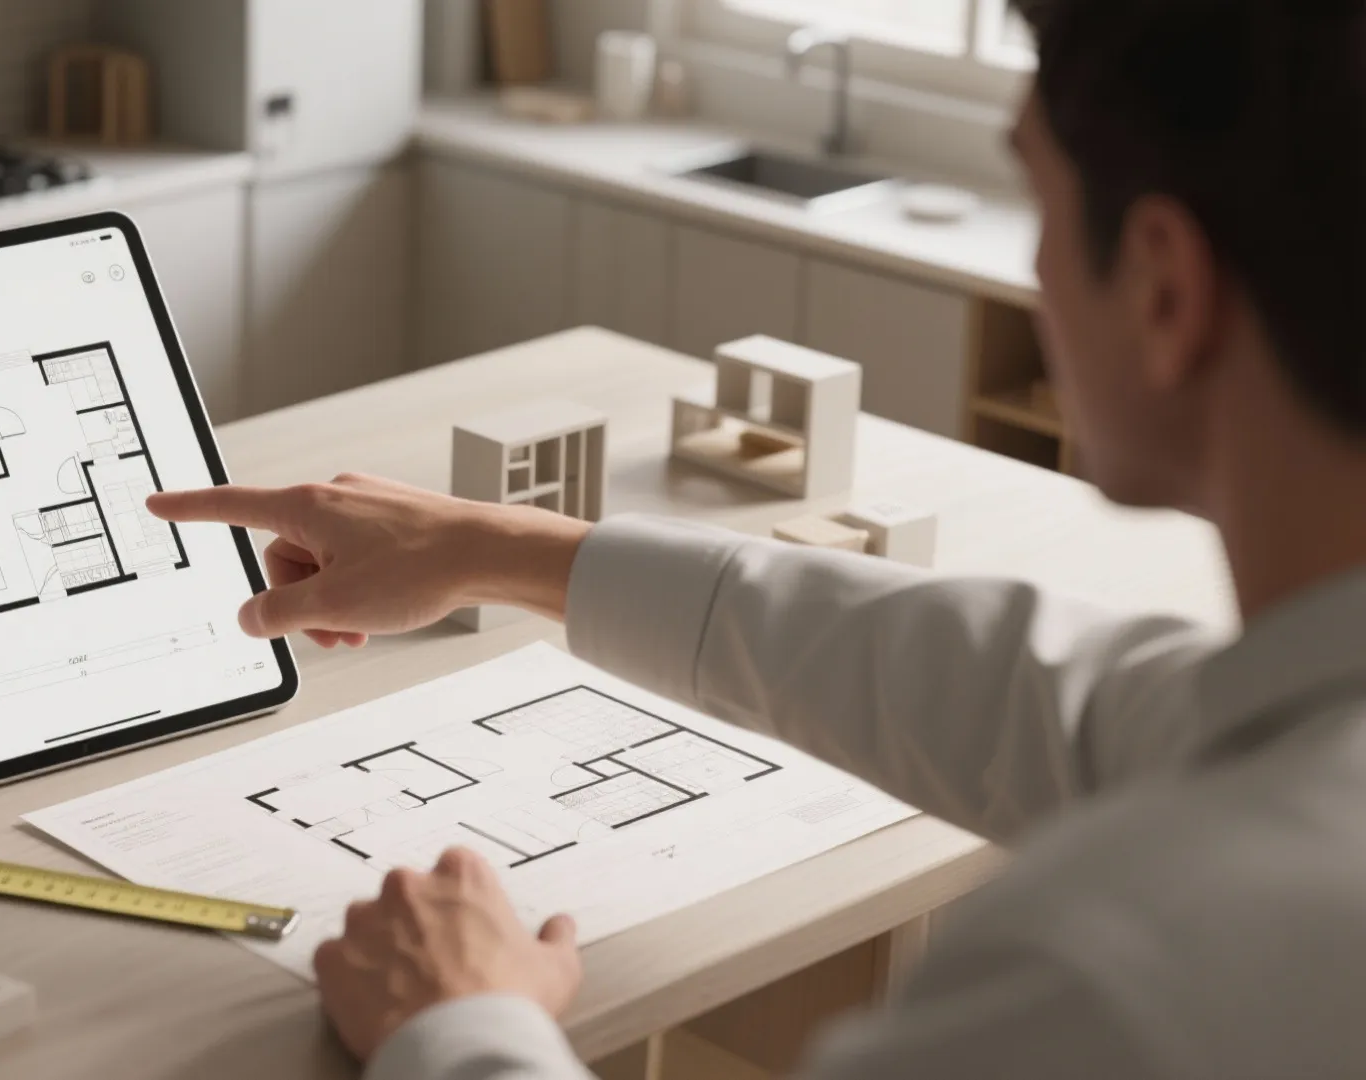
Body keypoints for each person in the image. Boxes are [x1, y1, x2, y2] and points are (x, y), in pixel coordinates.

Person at [148, 0, 1366, 1076]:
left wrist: (461, 1028)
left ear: (1164, 289)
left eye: (1036, 204)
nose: (1035, 266)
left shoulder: (1105, 984)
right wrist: (508, 550)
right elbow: (1054, 698)